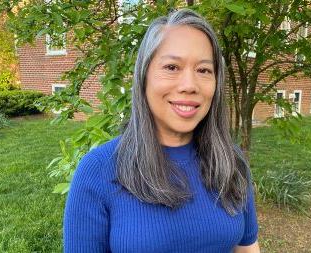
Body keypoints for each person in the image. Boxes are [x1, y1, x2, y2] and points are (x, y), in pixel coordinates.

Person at [63, 9, 260, 253]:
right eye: (172, 67)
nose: (190, 85)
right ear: (144, 77)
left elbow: (247, 248)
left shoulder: (232, 162)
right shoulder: (97, 172)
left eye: (204, 70)